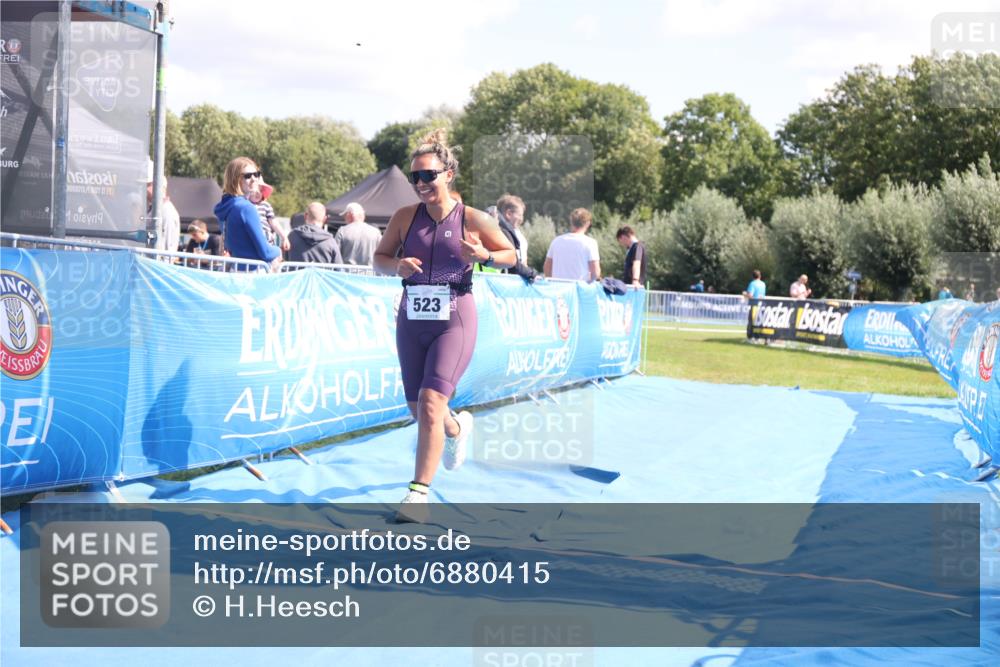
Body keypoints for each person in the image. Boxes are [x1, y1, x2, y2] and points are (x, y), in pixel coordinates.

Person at [372, 129, 515, 522]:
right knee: (419, 409)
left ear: (448, 174)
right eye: (415, 177)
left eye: (428, 175)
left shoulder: (473, 218)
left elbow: (510, 254)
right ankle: (456, 428)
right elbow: (379, 259)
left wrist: (483, 254)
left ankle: (418, 495)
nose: (420, 184)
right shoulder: (405, 218)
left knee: (433, 402)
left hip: (455, 316)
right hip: (412, 315)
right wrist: (395, 266)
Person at [213, 157, 282, 272]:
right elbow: (266, 252)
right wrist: (278, 250)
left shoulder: (226, 207)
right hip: (254, 275)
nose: (254, 179)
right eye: (248, 176)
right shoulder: (246, 208)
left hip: (236, 272)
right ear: (235, 180)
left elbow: (229, 246)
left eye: (257, 174)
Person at [544, 208, 600, 282]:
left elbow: (547, 268)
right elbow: (595, 273)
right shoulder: (591, 243)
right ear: (587, 223)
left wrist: (552, 282)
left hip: (558, 289)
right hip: (578, 290)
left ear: (571, 222)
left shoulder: (556, 241)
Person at [146, 160, 180, 254]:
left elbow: (167, 249)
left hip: (156, 266)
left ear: (157, 185)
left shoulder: (167, 212)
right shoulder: (154, 210)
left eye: (147, 185)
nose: (144, 188)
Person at [248, 180, 290, 252]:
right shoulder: (245, 205)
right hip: (250, 239)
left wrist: (284, 237)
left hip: (266, 239)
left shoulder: (265, 205)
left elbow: (274, 222)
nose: (258, 192)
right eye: (256, 190)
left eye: (261, 190)